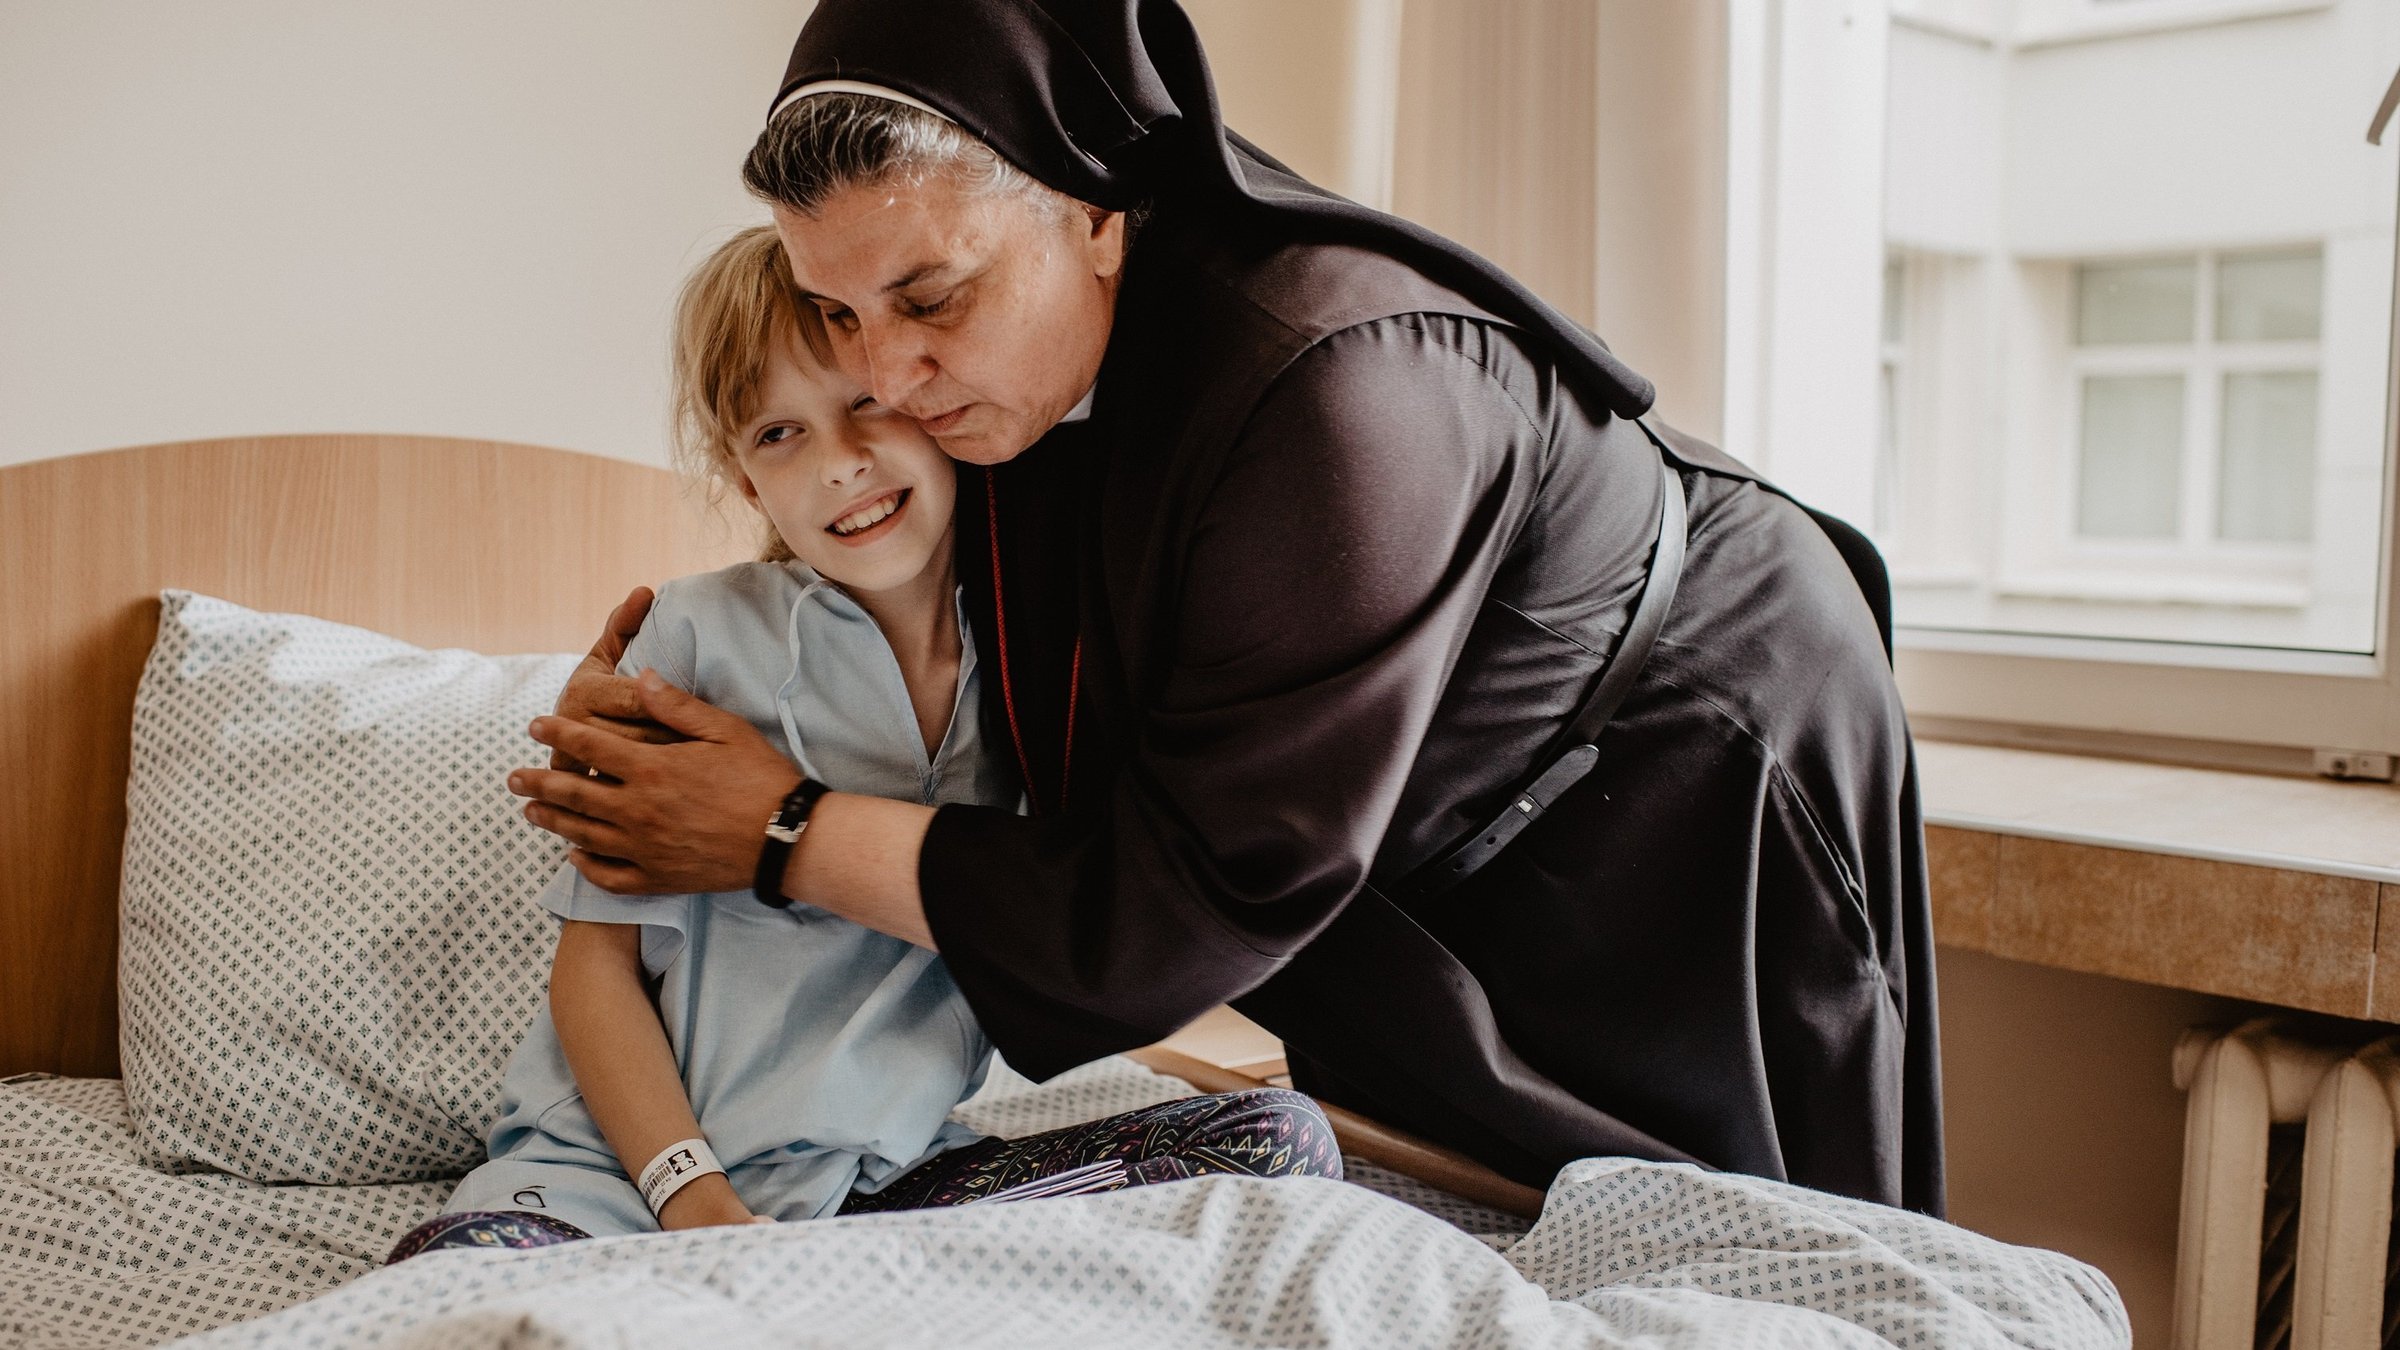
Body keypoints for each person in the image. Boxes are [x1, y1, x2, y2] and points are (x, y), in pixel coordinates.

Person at [512, 0, 1944, 1215]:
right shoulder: (1009, 390)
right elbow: (916, 618)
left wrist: (776, 830)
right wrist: (669, 709)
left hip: (1688, 752)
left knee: (1764, 1235)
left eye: (930, 299)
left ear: (1096, 213)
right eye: (839, 313)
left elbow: (1188, 897)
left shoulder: (1336, 399)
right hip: (1421, 838)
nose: (886, 377)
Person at [390, 226, 1338, 1260]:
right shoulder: (692, 641)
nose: (840, 464)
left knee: (1275, 1139)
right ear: (745, 482)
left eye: (867, 405)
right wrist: (695, 1205)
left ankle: (807, 1290)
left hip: (886, 1190)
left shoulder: (1050, 660)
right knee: (450, 1281)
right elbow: (595, 975)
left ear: (937, 407)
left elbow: (1118, 920)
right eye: (779, 434)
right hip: (620, 1185)